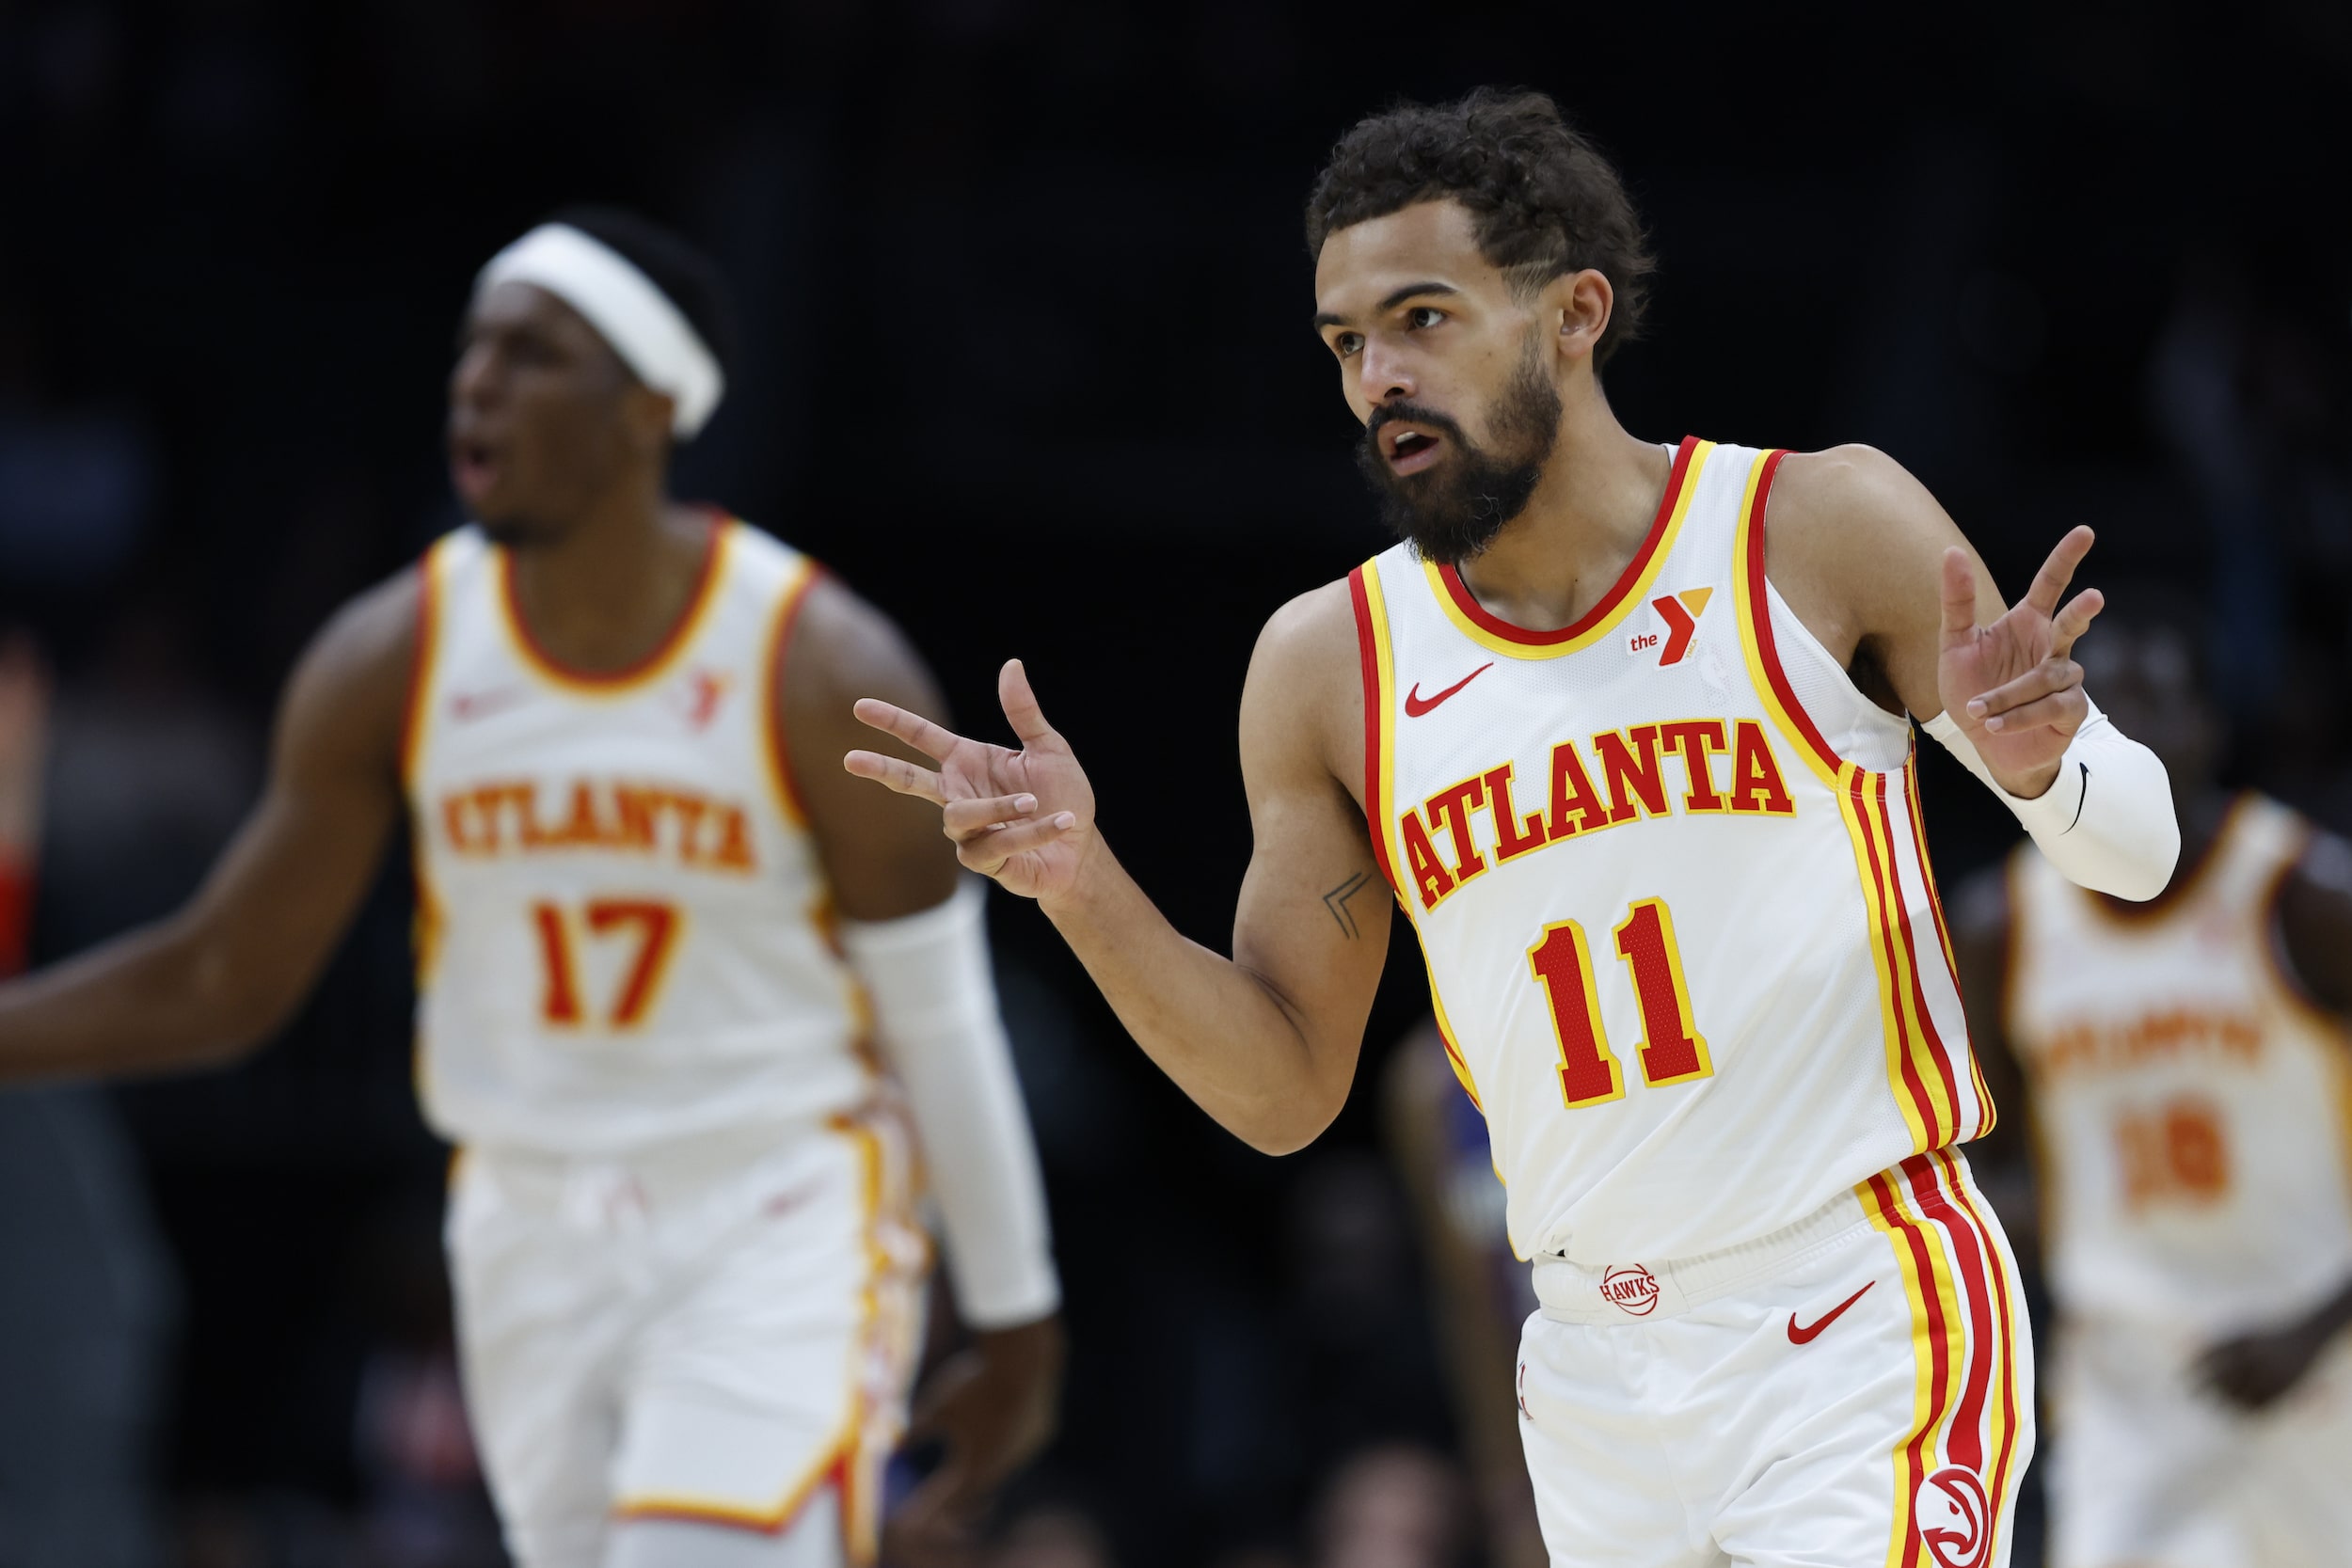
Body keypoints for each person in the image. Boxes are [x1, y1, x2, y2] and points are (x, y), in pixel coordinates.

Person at [847, 90, 2180, 1568]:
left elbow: (2141, 856)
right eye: (1346, 343)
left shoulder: (1814, 526)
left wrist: (2048, 772)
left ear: (1575, 313)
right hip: (1596, 1367)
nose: (1380, 378)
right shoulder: (1329, 665)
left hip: (1857, 1309)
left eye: (1421, 317)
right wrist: (1080, 884)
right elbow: (1285, 1089)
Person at [0, 209, 1064, 1568]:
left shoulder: (817, 666)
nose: (478, 384)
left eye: (532, 354)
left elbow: (941, 1018)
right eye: (471, 350)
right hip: (525, 1219)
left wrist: (1018, 1316)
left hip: (770, 1201)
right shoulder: (391, 655)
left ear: (649, 406)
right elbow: (224, 976)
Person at [1953, 590, 2352, 1568]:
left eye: (2154, 707)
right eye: (2103, 716)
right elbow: (1989, 1163)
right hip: (2128, 1375)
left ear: (2208, 725)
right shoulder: (2004, 923)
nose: (2127, 741)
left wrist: (2319, 1323)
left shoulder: (2300, 893)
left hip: (2316, 1346)